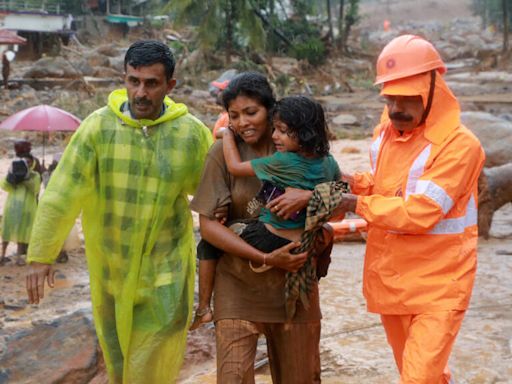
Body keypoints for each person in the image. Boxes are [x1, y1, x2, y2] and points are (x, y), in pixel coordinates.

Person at [24, 40, 212, 384]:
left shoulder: (189, 134)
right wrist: (41, 254)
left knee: (147, 367)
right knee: (119, 364)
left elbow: (218, 195)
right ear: (123, 79)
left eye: (151, 84)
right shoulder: (98, 129)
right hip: (111, 271)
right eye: (133, 81)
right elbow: (62, 191)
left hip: (165, 274)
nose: (140, 92)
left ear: (170, 86)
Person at [334, 35, 486, 383]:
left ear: (433, 90)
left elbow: (422, 211)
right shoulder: (386, 132)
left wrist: (355, 203)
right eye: (390, 99)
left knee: (418, 379)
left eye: (408, 99)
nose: (396, 108)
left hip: (440, 286)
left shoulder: (460, 146)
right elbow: (386, 186)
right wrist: (350, 181)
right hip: (392, 278)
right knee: (421, 375)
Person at [190, 72, 331, 384]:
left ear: (272, 110)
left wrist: (309, 197)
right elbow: (209, 228)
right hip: (238, 286)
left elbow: (340, 197)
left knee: (302, 377)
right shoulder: (222, 154)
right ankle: (203, 307)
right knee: (233, 377)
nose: (242, 123)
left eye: (251, 113)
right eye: (234, 116)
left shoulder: (305, 152)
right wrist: (265, 257)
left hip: (295, 288)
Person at [1, 144, 41, 266]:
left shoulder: (35, 175)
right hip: (13, 205)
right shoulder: (15, 172)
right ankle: (2, 255)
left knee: (22, 232)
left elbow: (35, 189)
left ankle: (19, 257)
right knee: (7, 230)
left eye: (29, 162)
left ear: (33, 163)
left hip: (28, 208)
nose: (27, 164)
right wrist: (11, 175)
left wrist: (26, 178)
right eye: (25, 162)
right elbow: (5, 186)